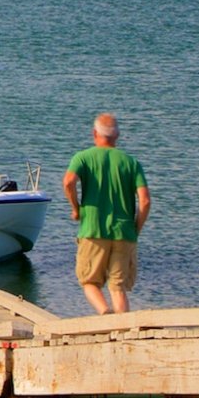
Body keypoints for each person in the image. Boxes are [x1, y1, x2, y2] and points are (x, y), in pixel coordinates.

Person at [64, 112, 152, 314]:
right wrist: (136, 228)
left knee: (89, 282)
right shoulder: (131, 163)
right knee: (118, 288)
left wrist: (76, 208)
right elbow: (145, 201)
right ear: (117, 136)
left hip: (92, 230)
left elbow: (68, 182)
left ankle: (104, 312)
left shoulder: (83, 158)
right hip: (124, 232)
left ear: (95, 133)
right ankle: (122, 329)